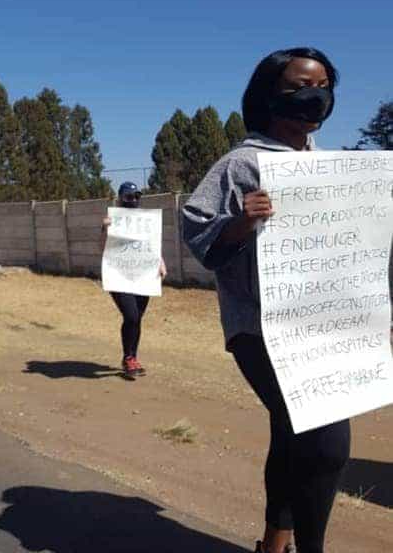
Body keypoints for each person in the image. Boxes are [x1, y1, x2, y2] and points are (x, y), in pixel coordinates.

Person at [183, 48, 350, 553]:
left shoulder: (333, 167)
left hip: (325, 326)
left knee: (291, 430)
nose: (314, 94)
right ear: (268, 96)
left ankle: (274, 542)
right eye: (300, 85)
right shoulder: (241, 163)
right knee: (325, 440)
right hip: (260, 328)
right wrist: (240, 221)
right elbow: (198, 238)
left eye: (323, 84)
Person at [101, 181, 167, 378]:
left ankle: (131, 358)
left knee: (137, 317)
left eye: (137, 196)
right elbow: (102, 248)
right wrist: (104, 229)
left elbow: (150, 245)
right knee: (131, 316)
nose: (134, 200)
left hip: (143, 276)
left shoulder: (145, 221)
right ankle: (129, 357)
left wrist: (161, 262)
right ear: (121, 198)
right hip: (119, 276)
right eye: (129, 197)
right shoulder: (112, 220)